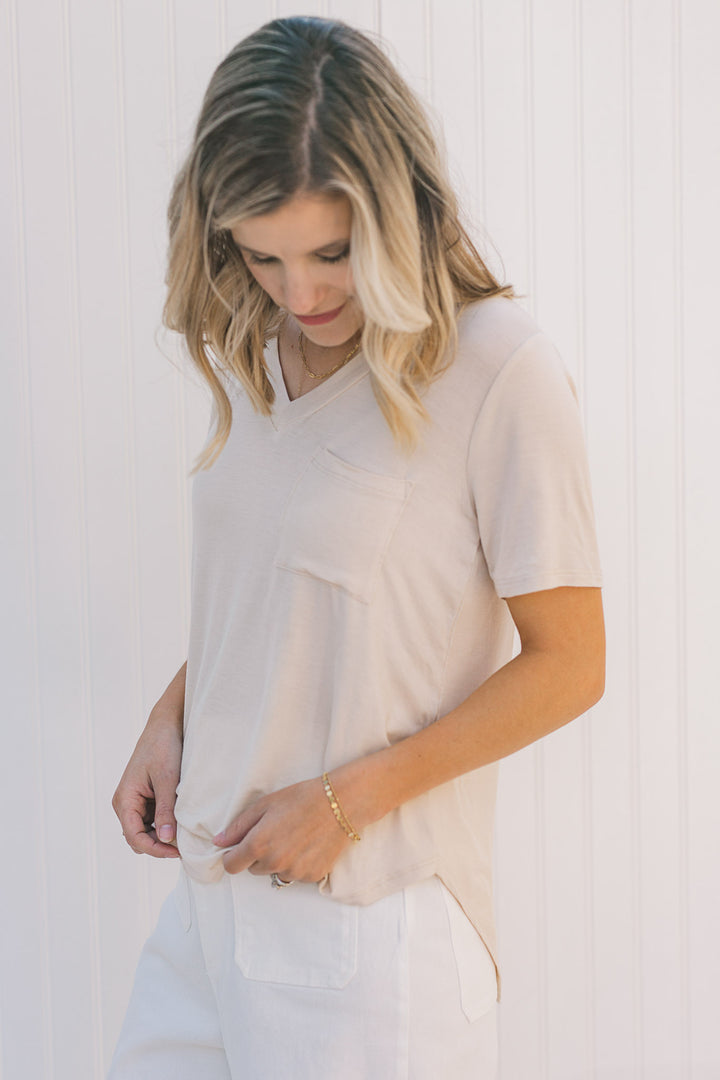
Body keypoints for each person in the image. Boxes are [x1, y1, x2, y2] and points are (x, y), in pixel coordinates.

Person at [108, 14, 605, 1080]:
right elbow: (291, 596)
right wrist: (174, 712)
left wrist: (345, 803)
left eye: (332, 252)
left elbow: (572, 666)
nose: (300, 294)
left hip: (365, 920)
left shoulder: (496, 368)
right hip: (207, 907)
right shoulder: (258, 351)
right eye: (262, 254)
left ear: (398, 207)